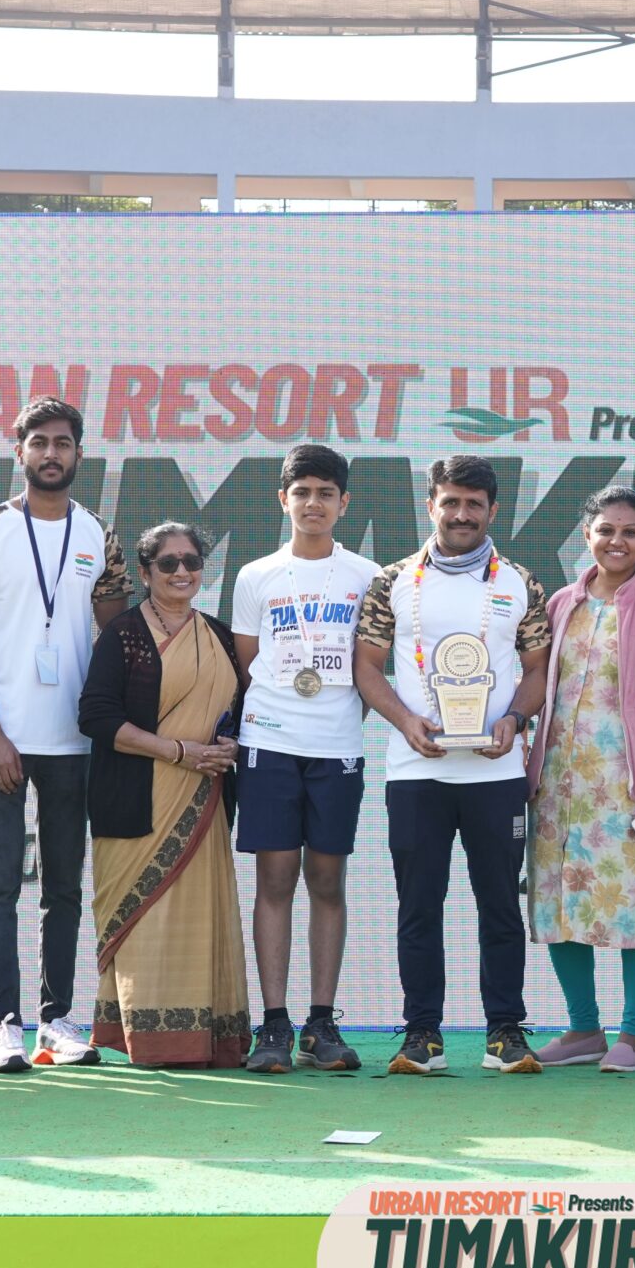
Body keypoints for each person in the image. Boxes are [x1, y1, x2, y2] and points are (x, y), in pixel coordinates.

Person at [353, 454, 553, 1076]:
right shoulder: (392, 581)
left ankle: (505, 1033)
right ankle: (422, 1035)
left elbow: (538, 670)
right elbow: (367, 666)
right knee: (419, 907)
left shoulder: (520, 582)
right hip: (418, 773)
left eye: (474, 504)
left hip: (496, 772)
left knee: (500, 907)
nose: (461, 514)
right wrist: (404, 721)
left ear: (493, 510)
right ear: (431, 506)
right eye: (451, 502)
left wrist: (514, 719)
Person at [0, 396, 131, 1073]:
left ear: (79, 453)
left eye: (63, 443)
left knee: (64, 890)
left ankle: (57, 1021)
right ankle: (3, 1024)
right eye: (39, 442)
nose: (51, 453)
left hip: (72, 744)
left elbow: (116, 638)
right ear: (19, 451)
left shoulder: (98, 534)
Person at [524, 487, 635, 1074]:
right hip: (558, 786)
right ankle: (583, 1030)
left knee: (634, 909)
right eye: (605, 530)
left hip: (629, 788)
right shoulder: (560, 604)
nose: (616, 541)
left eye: (629, 532)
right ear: (587, 535)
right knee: (560, 904)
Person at [229, 443, 379, 1074]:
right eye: (302, 492)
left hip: (337, 746)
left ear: (344, 503)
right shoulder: (256, 575)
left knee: (327, 881)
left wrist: (334, 718)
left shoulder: (369, 576)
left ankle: (321, 1023)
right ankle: (273, 1024)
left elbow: (371, 667)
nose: (313, 503)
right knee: (274, 880)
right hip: (268, 742)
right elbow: (247, 663)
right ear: (283, 500)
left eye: (325, 493)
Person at [78, 523, 251, 1068]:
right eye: (168, 563)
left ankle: (203, 1039)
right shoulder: (124, 634)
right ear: (145, 572)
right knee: (143, 919)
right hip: (135, 801)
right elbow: (96, 717)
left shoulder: (220, 636)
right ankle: (148, 1039)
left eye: (191, 562)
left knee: (201, 917)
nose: (181, 572)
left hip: (203, 800)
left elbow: (243, 711)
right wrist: (179, 752)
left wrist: (230, 745)